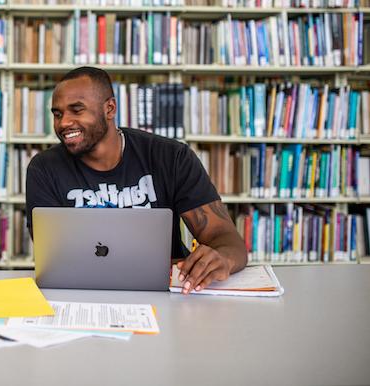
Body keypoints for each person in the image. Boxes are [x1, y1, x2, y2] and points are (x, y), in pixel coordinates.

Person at [26, 66, 247, 294]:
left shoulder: (171, 157)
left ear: (109, 108)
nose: (63, 123)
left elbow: (226, 238)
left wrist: (222, 259)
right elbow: (53, 260)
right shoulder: (44, 169)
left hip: (166, 293)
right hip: (82, 293)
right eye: (58, 114)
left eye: (77, 110)